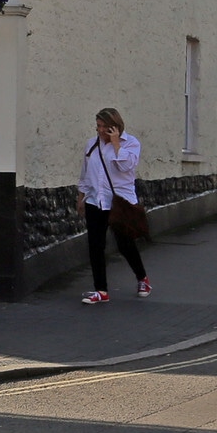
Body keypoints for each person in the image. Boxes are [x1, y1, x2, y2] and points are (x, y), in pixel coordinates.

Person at [77, 107, 149, 304]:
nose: (100, 130)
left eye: (104, 127)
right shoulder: (91, 145)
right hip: (95, 200)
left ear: (115, 127)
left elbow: (126, 166)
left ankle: (142, 278)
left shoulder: (131, 143)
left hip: (119, 203)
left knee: (126, 245)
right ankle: (101, 290)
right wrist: (81, 196)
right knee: (95, 246)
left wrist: (116, 143)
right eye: (98, 126)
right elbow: (85, 173)